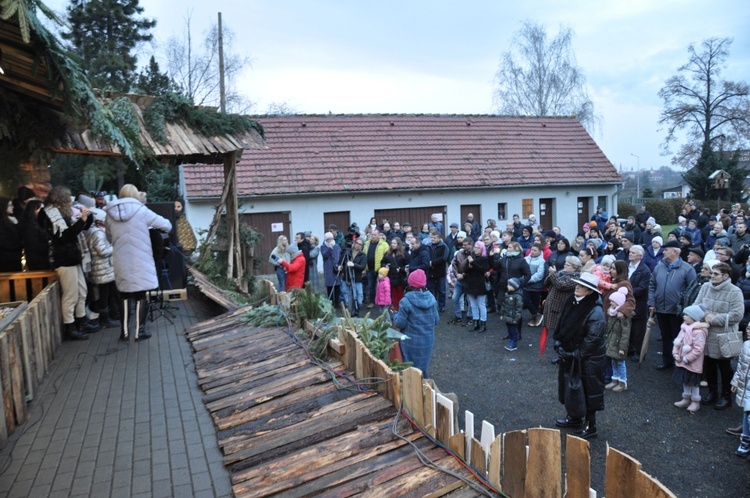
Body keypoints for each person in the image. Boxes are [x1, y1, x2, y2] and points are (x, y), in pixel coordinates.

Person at [105, 184, 172, 341]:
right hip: (140, 258)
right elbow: (166, 225)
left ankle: (124, 332)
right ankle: (139, 331)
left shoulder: (109, 213)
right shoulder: (141, 210)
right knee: (141, 293)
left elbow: (108, 237)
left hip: (121, 258)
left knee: (124, 294)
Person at [38, 186, 99, 340]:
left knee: (82, 291)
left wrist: (87, 217)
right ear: (61, 198)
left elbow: (78, 230)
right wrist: (81, 221)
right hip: (63, 259)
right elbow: (63, 237)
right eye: (68, 197)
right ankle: (70, 327)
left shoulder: (62, 212)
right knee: (70, 295)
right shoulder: (49, 214)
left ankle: (82, 321)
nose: (70, 199)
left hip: (73, 257)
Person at [554, 272, 607, 439]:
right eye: (578, 284)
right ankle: (575, 417)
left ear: (590, 291)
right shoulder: (571, 301)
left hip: (589, 359)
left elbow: (593, 338)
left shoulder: (595, 311)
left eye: (582, 286)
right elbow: (561, 322)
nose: (577, 287)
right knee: (570, 387)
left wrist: (576, 353)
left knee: (589, 391)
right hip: (571, 355)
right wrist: (558, 342)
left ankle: (591, 426)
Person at [694, 262, 744, 409]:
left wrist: (714, 319)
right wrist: (705, 316)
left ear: (726, 276)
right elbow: (696, 305)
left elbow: (737, 315)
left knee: (724, 367)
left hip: (723, 336)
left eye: (715, 274)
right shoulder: (705, 287)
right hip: (706, 333)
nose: (712, 276)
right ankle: (712, 392)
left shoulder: (735, 291)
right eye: (712, 273)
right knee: (709, 364)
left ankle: (726, 396)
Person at [648, 240, 697, 370]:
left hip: (677, 311)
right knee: (665, 336)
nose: (663, 252)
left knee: (678, 337)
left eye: (666, 250)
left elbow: (692, 290)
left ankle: (679, 361)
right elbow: (652, 285)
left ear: (675, 251)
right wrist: (652, 302)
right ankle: (667, 359)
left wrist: (684, 307)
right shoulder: (659, 266)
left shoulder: (687, 268)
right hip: (660, 308)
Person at [393, 269, 439, 377]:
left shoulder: (405, 301)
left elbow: (400, 324)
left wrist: (395, 314)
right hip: (427, 340)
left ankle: (412, 391)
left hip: (410, 341)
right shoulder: (432, 299)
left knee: (410, 370)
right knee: (422, 368)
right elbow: (436, 321)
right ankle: (425, 389)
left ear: (410, 284)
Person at [86, 208, 120, 328]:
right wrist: (114, 246)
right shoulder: (98, 233)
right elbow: (103, 251)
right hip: (102, 269)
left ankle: (107, 317)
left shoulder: (92, 231)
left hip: (101, 269)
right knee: (104, 295)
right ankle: (105, 319)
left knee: (105, 294)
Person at [672, 305, 708, 413]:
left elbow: (698, 349)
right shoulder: (683, 328)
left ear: (693, 317)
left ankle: (695, 401)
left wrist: (687, 358)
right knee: (685, 380)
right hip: (682, 360)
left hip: (692, 362)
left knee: (694, 382)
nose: (684, 316)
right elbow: (677, 341)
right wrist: (675, 354)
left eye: (686, 315)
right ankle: (686, 398)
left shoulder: (699, 332)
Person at [605, 287, 632, 392]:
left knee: (620, 363)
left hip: (618, 343)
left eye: (613, 301)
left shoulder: (623, 317)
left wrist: (622, 347)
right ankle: (614, 380)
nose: (611, 303)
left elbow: (625, 334)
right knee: (613, 361)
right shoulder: (613, 313)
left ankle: (622, 382)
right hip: (612, 342)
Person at [463, 240, 490, 332]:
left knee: (481, 304)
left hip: (480, 284)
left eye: (478, 247)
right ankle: (475, 322)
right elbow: (465, 270)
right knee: (473, 305)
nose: (476, 249)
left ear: (482, 249)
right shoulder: (471, 257)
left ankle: (483, 323)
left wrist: (473, 263)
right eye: (475, 247)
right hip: (470, 283)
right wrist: (469, 266)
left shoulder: (484, 259)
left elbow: (483, 270)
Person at [730, 338, 750, 456]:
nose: (748, 331)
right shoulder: (746, 345)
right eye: (748, 328)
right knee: (746, 413)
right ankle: (745, 441)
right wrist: (735, 381)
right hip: (746, 386)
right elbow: (740, 366)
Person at [337, 238, 366, 316]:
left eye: (360, 244)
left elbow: (362, 267)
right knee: (347, 299)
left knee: (359, 298)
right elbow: (340, 263)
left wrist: (354, 265)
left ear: (362, 246)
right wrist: (339, 267)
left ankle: (357, 311)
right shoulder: (347, 253)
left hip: (357, 279)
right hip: (346, 279)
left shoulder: (363, 255)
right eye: (357, 243)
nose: (358, 245)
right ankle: (349, 314)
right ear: (354, 243)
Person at [448, 235, 471, 325]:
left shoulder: (473, 254)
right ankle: (458, 316)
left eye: (465, 245)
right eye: (463, 244)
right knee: (455, 298)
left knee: (470, 300)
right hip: (459, 280)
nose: (463, 246)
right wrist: (456, 274)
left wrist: (464, 274)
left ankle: (470, 316)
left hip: (469, 280)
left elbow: (472, 267)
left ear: (470, 245)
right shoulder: (459, 254)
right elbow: (453, 264)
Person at [21, 200, 50, 271]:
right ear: (35, 209)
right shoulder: (30, 225)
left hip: (41, 258)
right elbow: (33, 244)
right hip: (37, 260)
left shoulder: (38, 222)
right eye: (41, 209)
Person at [363, 228, 389, 307]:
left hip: (380, 270)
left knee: (381, 287)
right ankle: (372, 302)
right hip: (369, 269)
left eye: (375, 235)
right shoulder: (367, 243)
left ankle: (382, 302)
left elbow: (387, 256)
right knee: (371, 286)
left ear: (379, 235)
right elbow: (364, 255)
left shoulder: (384, 244)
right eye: (372, 235)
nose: (373, 236)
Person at [382, 237, 408, 310]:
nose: (393, 245)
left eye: (394, 243)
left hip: (400, 277)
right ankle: (395, 308)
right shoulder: (388, 253)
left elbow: (408, 264)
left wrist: (401, 269)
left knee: (400, 293)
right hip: (391, 276)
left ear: (398, 244)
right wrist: (385, 266)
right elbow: (382, 262)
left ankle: (401, 308)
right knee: (393, 294)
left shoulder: (403, 253)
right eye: (392, 243)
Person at [524, 243, 546, 327]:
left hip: (536, 286)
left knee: (535, 302)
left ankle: (534, 318)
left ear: (540, 251)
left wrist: (528, 280)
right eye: (531, 250)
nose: (532, 252)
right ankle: (536, 315)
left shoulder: (542, 261)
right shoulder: (526, 259)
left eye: (535, 250)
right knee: (525, 300)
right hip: (526, 285)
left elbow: (539, 274)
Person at [427, 229, 449, 312]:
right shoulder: (428, 246)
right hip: (430, 271)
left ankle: (441, 306)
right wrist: (429, 263)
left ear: (439, 238)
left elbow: (444, 258)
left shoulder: (444, 246)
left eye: (435, 238)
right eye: (432, 238)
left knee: (442, 290)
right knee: (431, 289)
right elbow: (426, 255)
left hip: (440, 271)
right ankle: (432, 305)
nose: (433, 239)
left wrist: (432, 263)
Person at [0, 196, 22, 272]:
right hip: (6, 260)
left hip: (14, 258)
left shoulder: (11, 220)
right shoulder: (2, 223)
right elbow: (4, 242)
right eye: (9, 205)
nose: (12, 207)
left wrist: (16, 224)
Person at [502, 278, 524, 351]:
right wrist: (502, 313)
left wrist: (516, 319)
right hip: (508, 316)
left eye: (509, 285)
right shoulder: (507, 294)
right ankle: (511, 340)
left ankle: (513, 343)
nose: (507, 286)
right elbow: (504, 305)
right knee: (509, 329)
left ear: (514, 286)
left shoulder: (518, 296)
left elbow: (519, 309)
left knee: (513, 330)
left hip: (513, 318)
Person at [320, 232, 341, 306]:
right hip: (328, 269)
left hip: (336, 267)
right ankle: (330, 303)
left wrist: (339, 265)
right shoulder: (323, 247)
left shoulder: (337, 246)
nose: (330, 240)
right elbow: (325, 255)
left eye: (331, 239)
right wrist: (329, 248)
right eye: (328, 239)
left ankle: (337, 303)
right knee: (329, 286)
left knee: (337, 285)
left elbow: (339, 256)